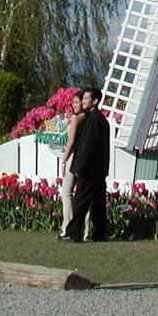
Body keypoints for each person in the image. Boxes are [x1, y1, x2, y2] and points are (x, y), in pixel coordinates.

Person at [60, 87, 108, 243]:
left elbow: (87, 146)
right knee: (98, 204)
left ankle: (73, 233)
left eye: (87, 99)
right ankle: (99, 233)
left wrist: (79, 168)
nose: (84, 101)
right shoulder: (100, 120)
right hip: (98, 169)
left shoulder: (93, 120)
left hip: (89, 170)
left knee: (80, 201)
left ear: (94, 101)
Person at [58, 98, 87, 239]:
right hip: (84, 158)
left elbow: (71, 141)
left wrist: (63, 161)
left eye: (77, 102)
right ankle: (85, 230)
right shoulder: (86, 118)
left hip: (73, 157)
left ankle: (67, 226)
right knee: (83, 194)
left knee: (66, 192)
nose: (74, 105)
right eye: (73, 103)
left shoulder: (76, 119)